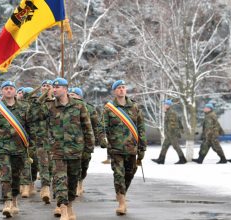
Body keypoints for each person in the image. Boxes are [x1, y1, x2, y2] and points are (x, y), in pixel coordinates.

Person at [42, 77, 95, 220]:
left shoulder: (79, 106)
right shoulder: (49, 106)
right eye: (53, 87)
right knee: (60, 180)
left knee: (72, 181)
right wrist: (43, 96)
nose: (55, 89)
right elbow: (33, 116)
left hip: (75, 150)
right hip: (57, 150)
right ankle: (63, 210)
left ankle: (70, 205)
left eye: (58, 87)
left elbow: (87, 127)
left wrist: (89, 148)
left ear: (65, 89)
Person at [99, 80, 146, 215]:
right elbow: (102, 127)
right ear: (115, 91)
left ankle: (121, 193)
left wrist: (142, 147)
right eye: (118, 88)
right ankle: (122, 202)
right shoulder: (109, 108)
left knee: (129, 173)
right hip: (115, 148)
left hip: (132, 148)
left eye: (123, 87)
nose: (121, 90)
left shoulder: (135, 107)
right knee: (119, 174)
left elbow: (141, 128)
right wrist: (102, 139)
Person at [0, 81, 29, 218]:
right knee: (5, 175)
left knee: (16, 176)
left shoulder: (24, 107)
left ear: (15, 91)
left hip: (19, 148)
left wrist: (31, 144)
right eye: (6, 88)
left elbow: (29, 127)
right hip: (3, 147)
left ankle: (14, 199)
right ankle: (7, 202)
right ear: (2, 91)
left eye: (11, 88)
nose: (9, 91)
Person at [68, 87, 99, 197]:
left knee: (84, 165)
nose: (71, 96)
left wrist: (98, 139)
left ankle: (80, 182)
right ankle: (74, 186)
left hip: (86, 142)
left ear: (80, 96)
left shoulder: (89, 108)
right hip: (72, 143)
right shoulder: (66, 108)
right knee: (73, 165)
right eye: (70, 94)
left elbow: (96, 126)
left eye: (74, 95)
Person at [151, 99, 186, 164]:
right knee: (165, 146)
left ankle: (182, 159)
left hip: (172, 134)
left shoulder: (171, 112)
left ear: (169, 105)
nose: (164, 106)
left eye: (165, 104)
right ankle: (161, 159)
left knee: (176, 146)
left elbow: (172, 124)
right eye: (164, 104)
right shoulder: (169, 112)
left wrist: (171, 134)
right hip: (170, 133)